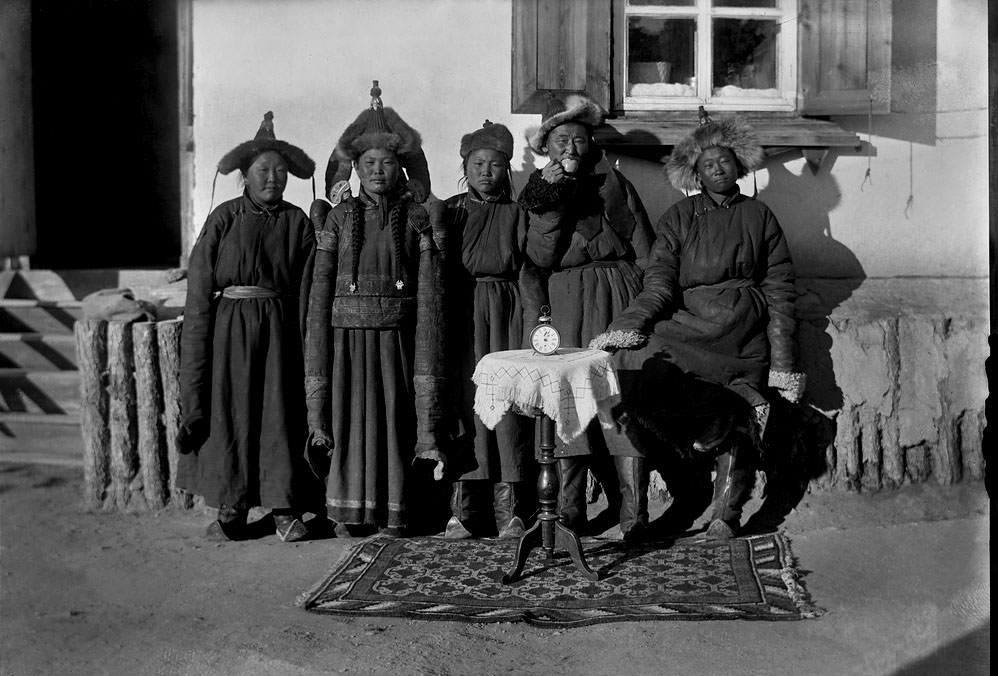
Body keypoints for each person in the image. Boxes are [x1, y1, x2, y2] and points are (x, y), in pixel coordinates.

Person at [591, 107, 806, 540]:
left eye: (725, 160)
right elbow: (658, 283)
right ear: (696, 174)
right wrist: (627, 326)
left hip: (741, 328)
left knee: (739, 404)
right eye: (708, 164)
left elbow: (781, 290)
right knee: (635, 374)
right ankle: (646, 509)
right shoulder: (678, 218)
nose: (718, 168)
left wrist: (783, 362)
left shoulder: (759, 216)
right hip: (687, 323)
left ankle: (726, 513)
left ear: (739, 164)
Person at [304, 84, 446, 536]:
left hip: (398, 341)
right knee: (349, 424)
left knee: (394, 421)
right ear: (356, 168)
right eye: (369, 164)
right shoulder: (339, 218)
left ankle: (394, 512)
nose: (379, 170)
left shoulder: (417, 218)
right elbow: (321, 289)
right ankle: (348, 512)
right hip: (347, 343)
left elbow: (428, 292)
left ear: (400, 167)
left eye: (387, 162)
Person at [516, 94, 656, 541]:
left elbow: (643, 245)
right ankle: (569, 515)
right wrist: (551, 199)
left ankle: (634, 515)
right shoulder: (536, 192)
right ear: (548, 147)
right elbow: (537, 256)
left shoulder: (613, 184)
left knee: (621, 400)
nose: (571, 148)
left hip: (616, 294)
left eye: (578, 139)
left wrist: (644, 305)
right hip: (566, 301)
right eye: (562, 140)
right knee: (568, 403)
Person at [176, 111, 317, 542]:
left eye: (279, 171)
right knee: (231, 413)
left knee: (279, 414)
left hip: (280, 332)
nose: (273, 179)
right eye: (262, 171)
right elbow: (200, 288)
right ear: (245, 175)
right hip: (229, 333)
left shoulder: (297, 222)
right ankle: (232, 507)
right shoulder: (224, 218)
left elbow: (310, 287)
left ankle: (283, 508)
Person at [438, 120, 543, 539]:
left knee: (507, 409)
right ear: (466, 166)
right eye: (478, 163)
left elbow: (529, 273)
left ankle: (511, 512)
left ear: (506, 170)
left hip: (506, 314)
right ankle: (463, 511)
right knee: (467, 408)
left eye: (496, 165)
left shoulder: (519, 214)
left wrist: (534, 331)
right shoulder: (449, 211)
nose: (486, 172)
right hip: (462, 314)